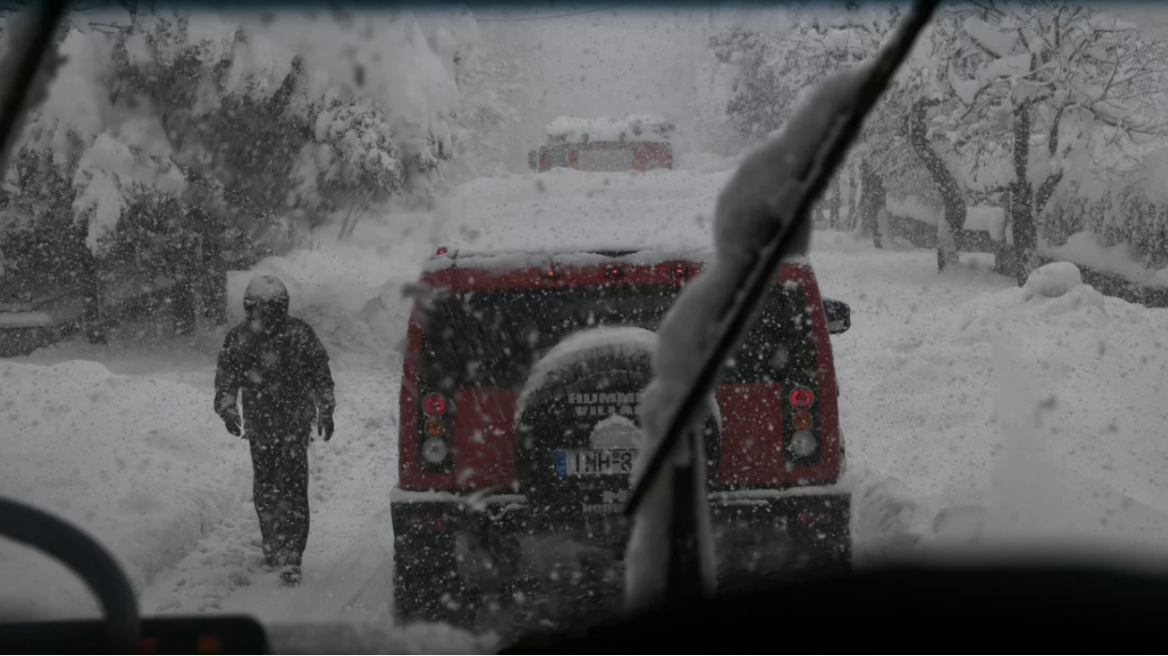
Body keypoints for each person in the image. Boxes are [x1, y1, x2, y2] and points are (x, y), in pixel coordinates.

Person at [214, 274, 335, 586]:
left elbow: (321, 372)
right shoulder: (240, 338)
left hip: (294, 427)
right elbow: (226, 376)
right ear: (248, 307)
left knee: (295, 490)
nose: (262, 313)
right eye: (257, 307)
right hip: (261, 429)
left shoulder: (299, 334)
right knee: (266, 490)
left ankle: (293, 553)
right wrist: (227, 407)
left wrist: (326, 408)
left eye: (268, 307)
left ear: (281, 307)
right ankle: (272, 546)